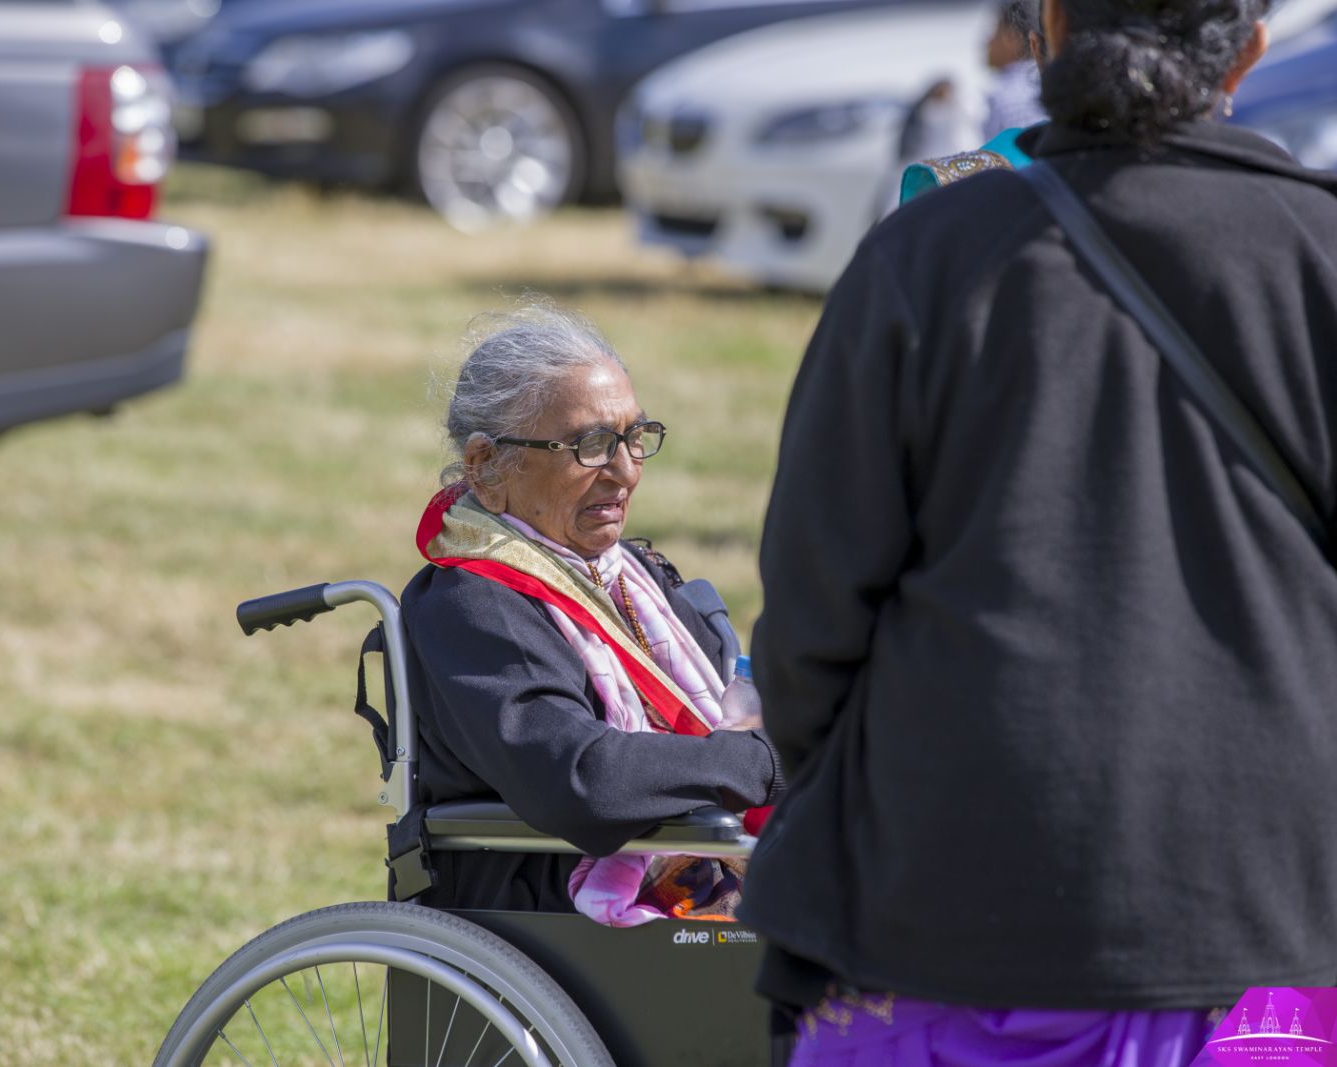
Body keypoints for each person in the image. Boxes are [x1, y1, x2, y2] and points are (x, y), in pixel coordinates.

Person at [743, 0, 1337, 1061]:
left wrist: (835, 791)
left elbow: (810, 612)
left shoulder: (923, 254)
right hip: (1261, 922)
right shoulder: (1319, 253)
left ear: (1049, 25)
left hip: (939, 902)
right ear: (1249, 50)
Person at [401, 304, 782, 923]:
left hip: (693, 871)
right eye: (590, 446)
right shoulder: (472, 605)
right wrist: (763, 763)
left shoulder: (637, 575)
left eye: (634, 437)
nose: (627, 471)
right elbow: (581, 778)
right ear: (484, 466)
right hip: (554, 910)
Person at [899, 0, 1048, 203]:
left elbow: (1013, 166)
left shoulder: (1006, 95)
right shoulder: (1040, 85)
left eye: (994, 32)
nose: (986, 43)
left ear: (1011, 38)